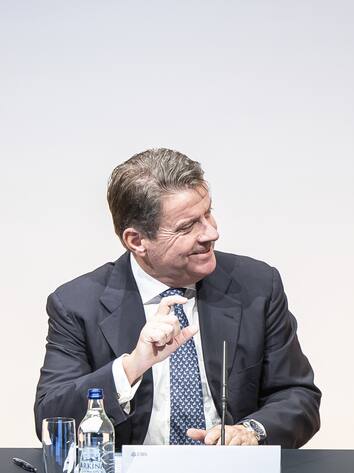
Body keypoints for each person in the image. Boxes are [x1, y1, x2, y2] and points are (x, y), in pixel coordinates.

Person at [35, 148, 321, 448]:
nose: (211, 233)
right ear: (137, 241)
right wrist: (131, 367)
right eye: (187, 226)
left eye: (207, 213)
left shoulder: (257, 286)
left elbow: (298, 397)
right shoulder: (78, 304)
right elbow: (51, 421)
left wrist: (252, 431)